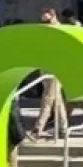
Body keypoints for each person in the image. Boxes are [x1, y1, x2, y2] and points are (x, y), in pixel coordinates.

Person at [32, 8, 71, 139]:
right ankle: (63, 128)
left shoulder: (60, 32)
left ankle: (38, 128)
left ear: (54, 17)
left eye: (48, 21)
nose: (45, 24)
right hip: (45, 69)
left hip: (55, 70)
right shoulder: (46, 33)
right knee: (56, 100)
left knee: (47, 99)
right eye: (43, 22)